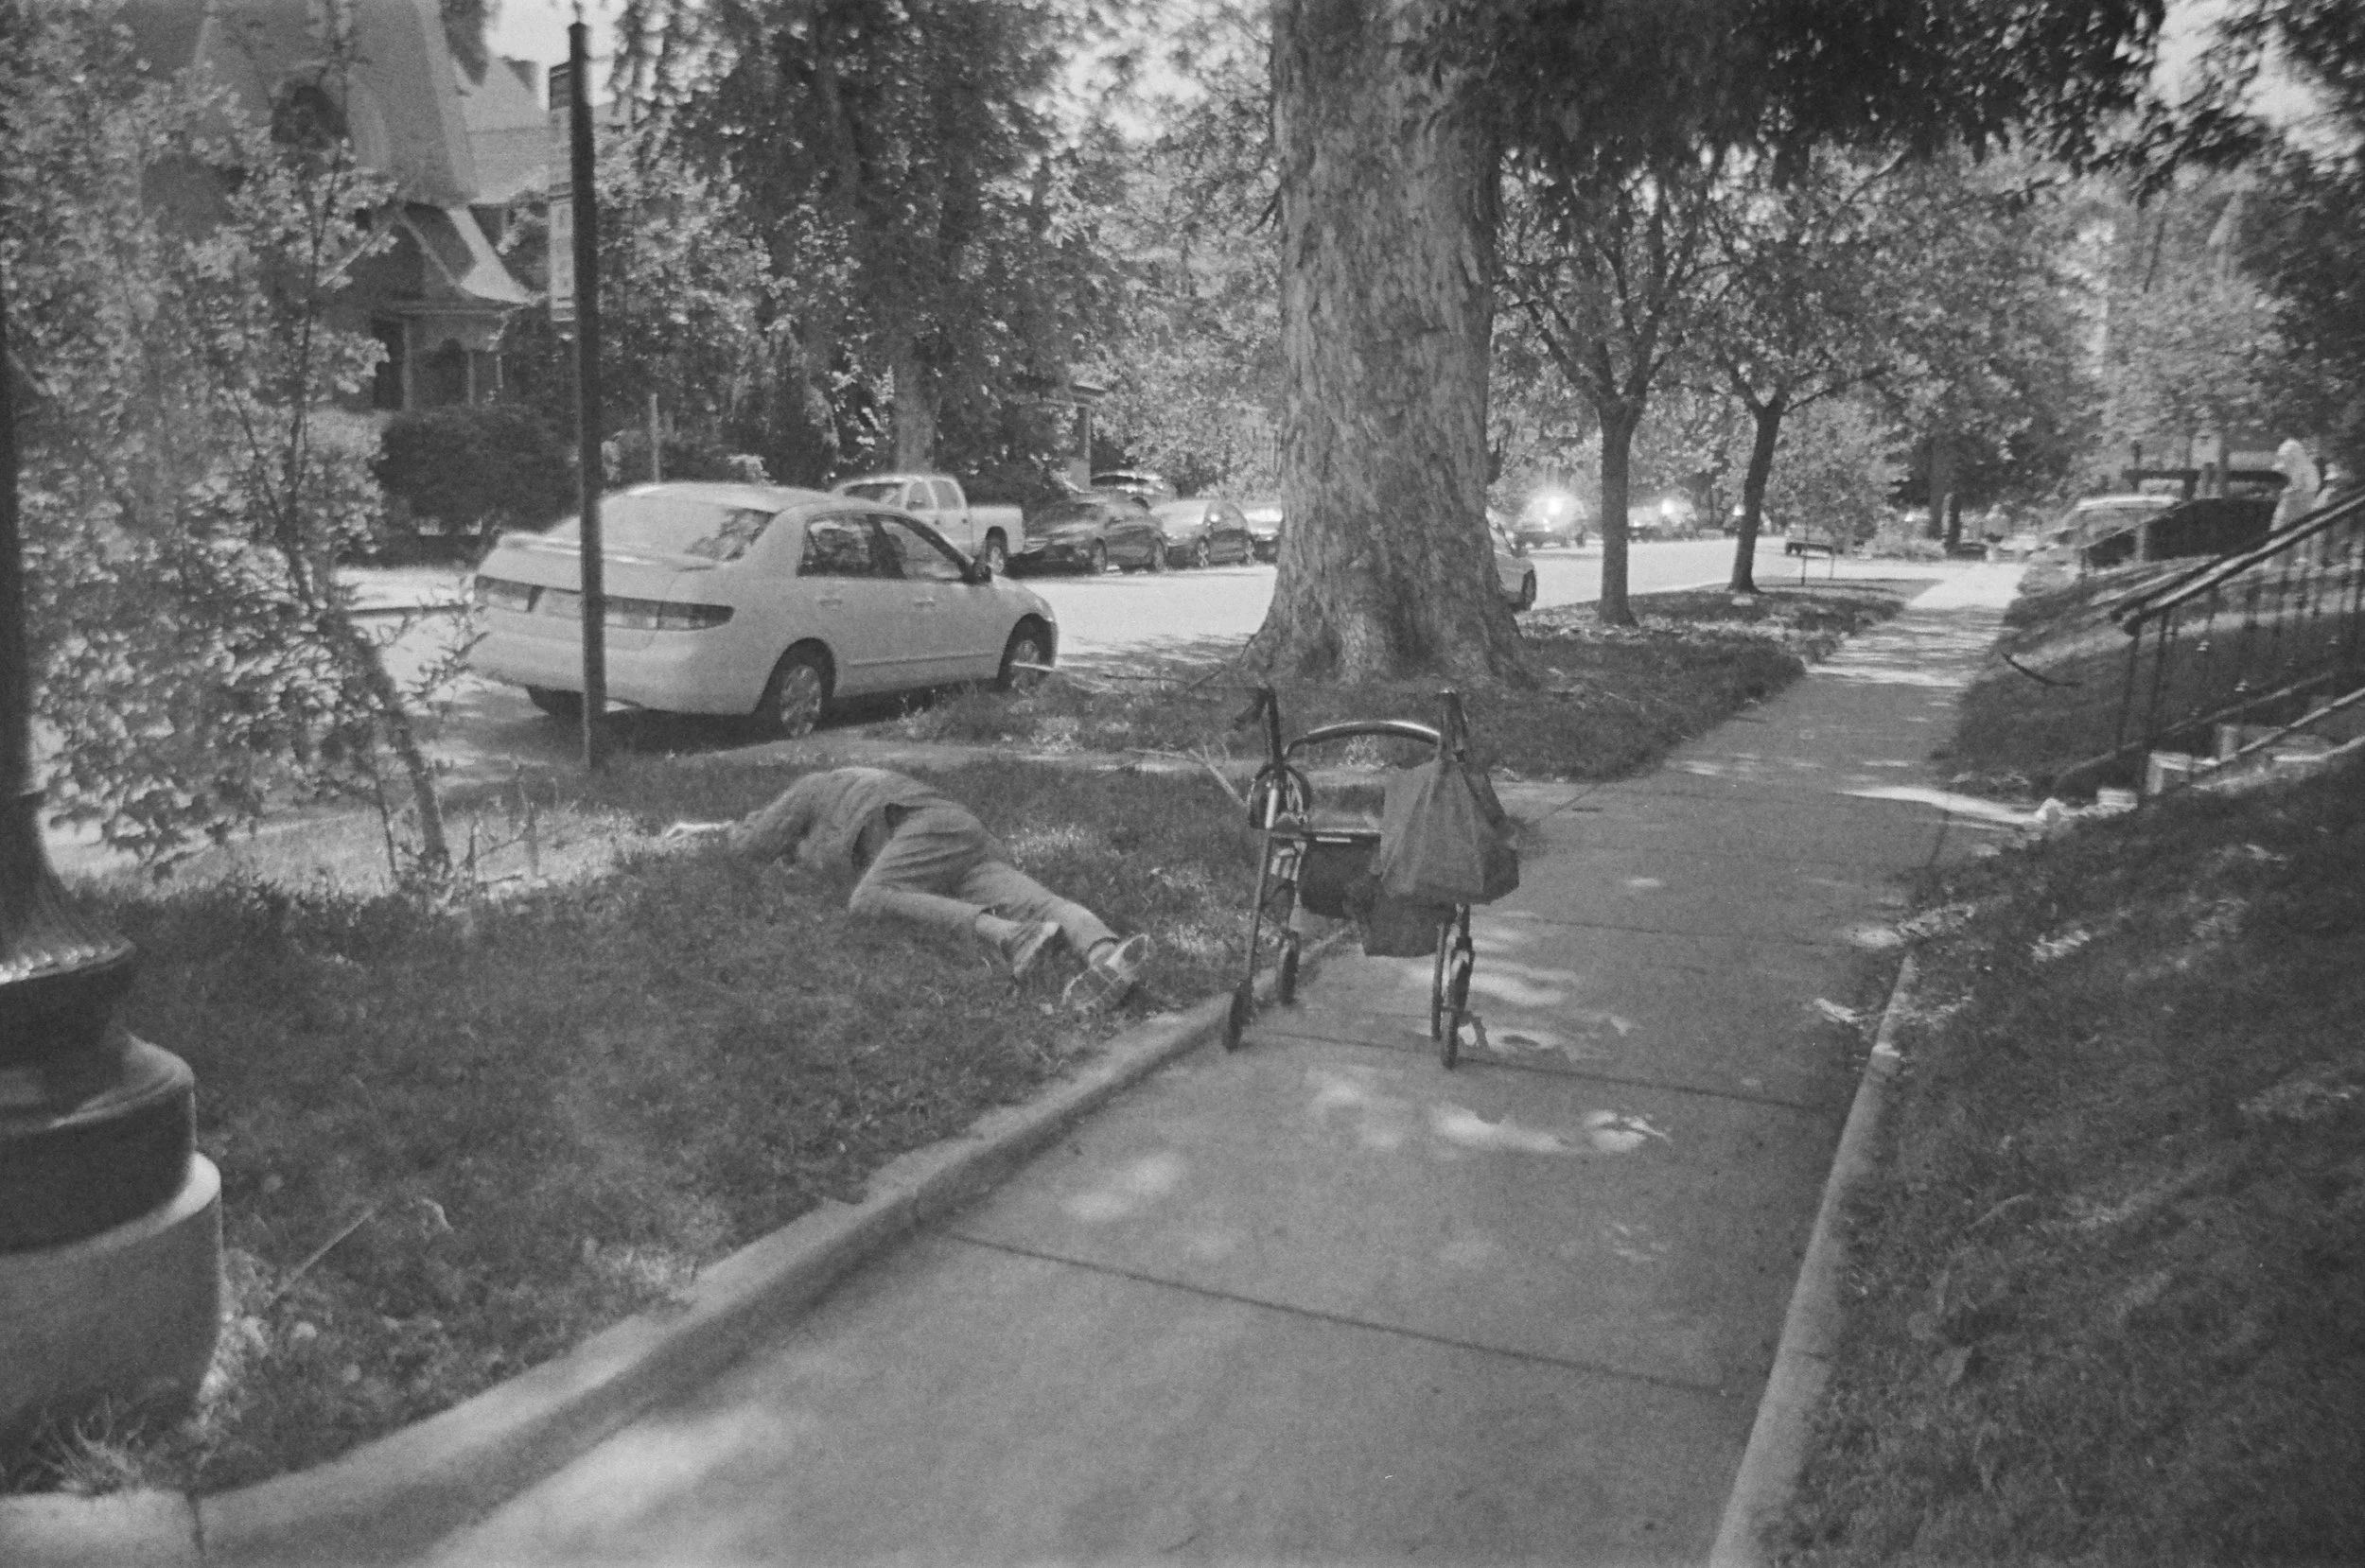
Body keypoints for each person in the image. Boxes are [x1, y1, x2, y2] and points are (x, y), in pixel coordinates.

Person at [667, 767, 1150, 1008]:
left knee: (869, 899)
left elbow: (750, 845)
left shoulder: (811, 787)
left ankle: (1010, 936)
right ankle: (1107, 955)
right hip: (962, 837)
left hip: (920, 828)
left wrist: (713, 832)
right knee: (1043, 903)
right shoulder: (838, 800)